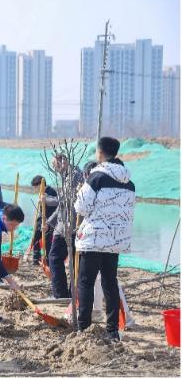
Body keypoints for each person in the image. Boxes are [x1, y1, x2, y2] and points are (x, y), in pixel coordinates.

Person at [74, 136, 136, 339]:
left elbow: (81, 207)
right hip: (116, 241)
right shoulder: (129, 183)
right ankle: (112, 330)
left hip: (94, 240)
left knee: (86, 282)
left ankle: (83, 327)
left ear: (100, 153)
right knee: (110, 283)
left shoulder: (96, 177)